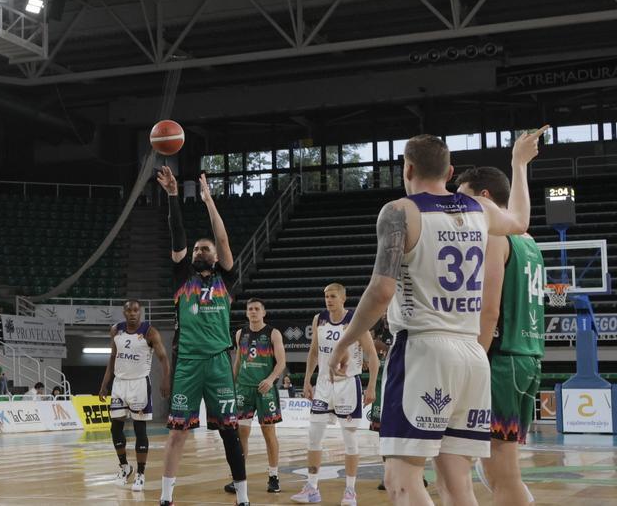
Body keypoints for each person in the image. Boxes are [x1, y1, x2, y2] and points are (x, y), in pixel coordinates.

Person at [329, 129, 543, 506]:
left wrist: (345, 341)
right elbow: (521, 220)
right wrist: (519, 164)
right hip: (473, 358)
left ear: (407, 169)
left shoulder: (399, 212)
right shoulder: (479, 208)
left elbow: (381, 291)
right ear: (449, 171)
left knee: (401, 479)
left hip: (424, 350)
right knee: (456, 482)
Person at [156, 167, 249, 506]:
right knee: (177, 433)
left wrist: (209, 201)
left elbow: (223, 240)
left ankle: (243, 498)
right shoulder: (182, 278)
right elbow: (177, 235)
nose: (199, 251)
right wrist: (172, 197)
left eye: (204, 248)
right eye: (196, 249)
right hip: (189, 363)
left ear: (214, 255)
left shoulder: (226, 279)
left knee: (229, 432)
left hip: (219, 363)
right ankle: (166, 497)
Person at [457, 166, 546, 506]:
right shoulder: (529, 240)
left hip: (503, 360)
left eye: (464, 198)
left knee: (503, 471)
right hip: (527, 357)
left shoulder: (495, 236)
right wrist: (519, 164)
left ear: (485, 198)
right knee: (494, 469)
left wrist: (472, 363)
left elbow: (489, 310)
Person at [292, 284, 378, 506]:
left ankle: (350, 491)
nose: (328, 300)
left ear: (343, 298)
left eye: (333, 296)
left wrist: (371, 387)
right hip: (323, 384)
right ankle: (312, 487)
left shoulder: (355, 320)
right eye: (326, 296)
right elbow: (313, 351)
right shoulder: (318, 319)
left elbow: (372, 356)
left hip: (347, 385)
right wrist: (307, 379)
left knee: (350, 440)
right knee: (314, 436)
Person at [98, 300, 170, 492]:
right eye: (129, 310)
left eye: (136, 310)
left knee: (140, 430)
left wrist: (166, 379)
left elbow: (163, 358)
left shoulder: (150, 332)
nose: (132, 313)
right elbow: (112, 358)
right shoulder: (116, 330)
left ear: (141, 312)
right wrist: (105, 384)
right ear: (124, 312)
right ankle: (124, 467)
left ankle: (140, 473)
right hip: (119, 384)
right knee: (115, 428)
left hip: (139, 383)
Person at [230, 298, 286, 495]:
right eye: (250, 309)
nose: (253, 312)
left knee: (268, 434)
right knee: (241, 434)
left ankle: (273, 476)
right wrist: (232, 384)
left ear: (264, 312)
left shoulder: (273, 333)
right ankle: (239, 477)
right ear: (246, 313)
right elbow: (238, 361)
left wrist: (271, 379)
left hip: (265, 390)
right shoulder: (240, 333)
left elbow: (281, 362)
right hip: (243, 389)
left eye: (256, 309)